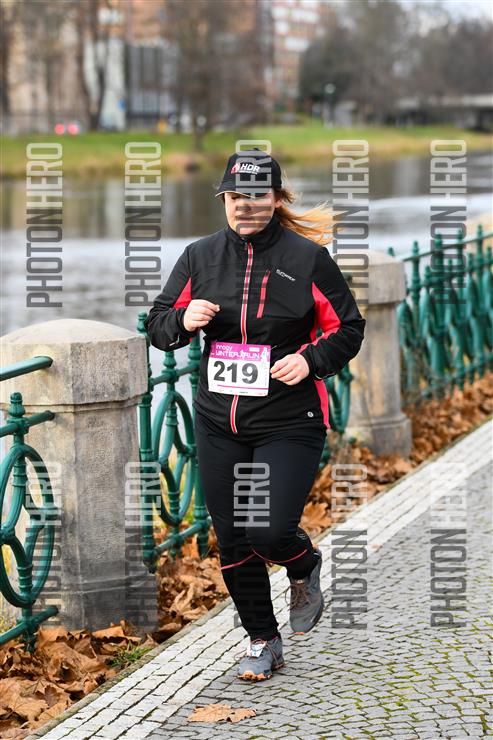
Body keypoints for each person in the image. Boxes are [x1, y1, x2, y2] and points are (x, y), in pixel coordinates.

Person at [144, 148, 366, 681]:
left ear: (277, 199)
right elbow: (157, 325)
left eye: (257, 195)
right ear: (223, 199)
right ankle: (263, 640)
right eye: (235, 196)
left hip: (289, 418)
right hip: (218, 421)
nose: (245, 205)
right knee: (233, 539)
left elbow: (348, 328)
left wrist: (309, 360)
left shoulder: (307, 259)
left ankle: (303, 563)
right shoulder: (199, 257)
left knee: (268, 530)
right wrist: (183, 319)